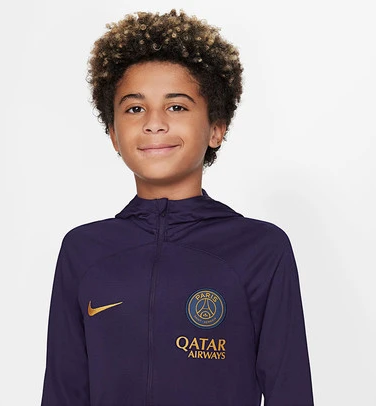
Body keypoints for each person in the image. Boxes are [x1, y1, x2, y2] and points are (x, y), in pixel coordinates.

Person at [40, 9, 314, 406]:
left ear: (216, 128)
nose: (154, 123)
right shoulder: (83, 251)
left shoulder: (260, 249)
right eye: (135, 108)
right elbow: (63, 392)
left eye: (177, 107)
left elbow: (290, 391)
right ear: (113, 134)